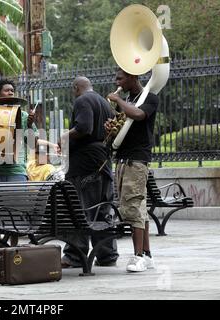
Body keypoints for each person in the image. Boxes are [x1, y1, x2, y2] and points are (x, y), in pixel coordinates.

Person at [59, 76, 119, 268]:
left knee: (79, 208)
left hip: (84, 165)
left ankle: (75, 256)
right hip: (102, 161)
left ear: (76, 88)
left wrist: (64, 136)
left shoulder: (82, 100)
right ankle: (107, 255)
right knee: (101, 209)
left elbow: (84, 127)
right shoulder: (104, 102)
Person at [106, 68, 159, 272]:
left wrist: (118, 101)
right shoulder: (129, 99)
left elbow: (138, 115)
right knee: (140, 209)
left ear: (133, 77)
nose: (116, 81)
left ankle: (137, 256)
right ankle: (147, 255)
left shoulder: (150, 98)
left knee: (134, 207)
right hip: (124, 159)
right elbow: (124, 127)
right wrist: (111, 128)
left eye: (120, 78)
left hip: (136, 160)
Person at [0, 78, 36, 266]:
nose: (11, 93)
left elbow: (33, 144)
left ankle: (12, 251)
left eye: (12, 90)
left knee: (15, 213)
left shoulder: (24, 114)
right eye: (6, 90)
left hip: (15, 170)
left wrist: (29, 126)